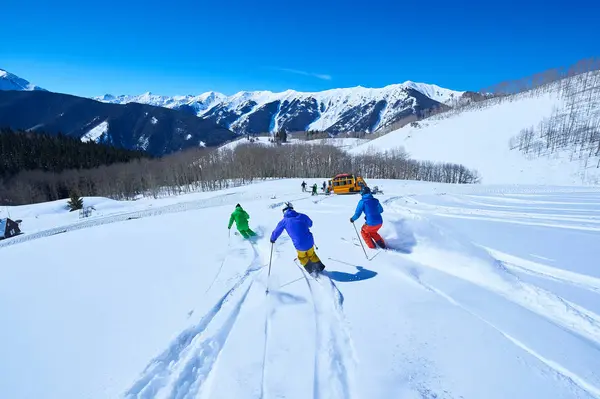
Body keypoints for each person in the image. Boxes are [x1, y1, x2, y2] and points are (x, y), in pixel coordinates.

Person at [270, 202, 325, 274]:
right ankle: (319, 267)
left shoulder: (284, 221)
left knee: (302, 257)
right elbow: (310, 224)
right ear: (292, 209)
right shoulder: (302, 216)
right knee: (311, 254)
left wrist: (272, 239)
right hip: (310, 241)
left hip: (299, 245)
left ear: (283, 211)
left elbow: (276, 232)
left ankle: (312, 270)